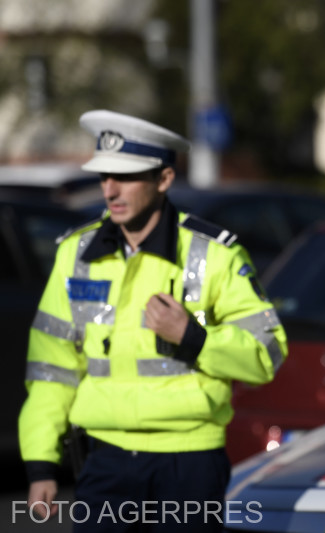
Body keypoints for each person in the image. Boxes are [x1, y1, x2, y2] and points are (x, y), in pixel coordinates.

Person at [18, 110, 288, 532]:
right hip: (105, 461)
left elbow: (267, 354)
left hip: (189, 464)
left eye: (126, 177)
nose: (110, 189)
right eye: (105, 176)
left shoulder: (214, 254)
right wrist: (41, 465)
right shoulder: (76, 254)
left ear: (163, 179)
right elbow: (51, 368)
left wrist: (194, 339)